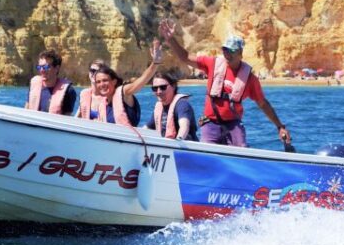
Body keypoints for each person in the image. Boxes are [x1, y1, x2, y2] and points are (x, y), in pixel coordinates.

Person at [159, 19, 291, 148]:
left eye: (232, 51)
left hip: (233, 124)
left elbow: (263, 104)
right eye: (225, 50)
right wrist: (171, 39)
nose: (227, 54)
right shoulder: (213, 64)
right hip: (210, 122)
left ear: (240, 53)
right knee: (208, 153)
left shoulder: (249, 79)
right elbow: (185, 57)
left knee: (242, 150)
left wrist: (279, 126)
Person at [79, 40, 162, 125]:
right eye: (98, 82)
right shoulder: (103, 104)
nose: (102, 85)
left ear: (114, 81)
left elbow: (141, 80)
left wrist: (155, 63)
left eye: (105, 80)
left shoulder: (123, 93)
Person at [145, 70, 197, 140]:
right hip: (165, 146)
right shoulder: (159, 108)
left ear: (173, 86)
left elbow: (184, 126)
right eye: (155, 88)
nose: (159, 91)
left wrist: (178, 140)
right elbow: (146, 129)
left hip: (184, 148)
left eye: (163, 87)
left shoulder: (182, 104)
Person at [25, 49, 77, 115]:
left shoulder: (69, 91)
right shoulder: (34, 85)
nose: (42, 70)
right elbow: (26, 109)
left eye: (46, 67)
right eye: (39, 67)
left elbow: (67, 119)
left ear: (57, 68)